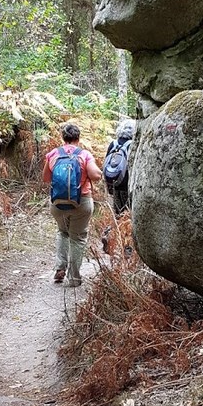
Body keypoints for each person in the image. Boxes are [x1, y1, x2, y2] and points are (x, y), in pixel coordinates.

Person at [43, 122, 102, 286]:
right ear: (78, 138)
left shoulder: (53, 154)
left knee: (63, 232)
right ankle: (74, 278)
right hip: (81, 203)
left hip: (57, 203)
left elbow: (46, 178)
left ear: (63, 138)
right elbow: (96, 176)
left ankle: (59, 268)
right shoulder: (84, 154)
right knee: (78, 238)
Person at [103, 118, 135, 216]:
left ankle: (118, 227)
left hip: (114, 181)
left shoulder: (113, 143)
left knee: (118, 212)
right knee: (128, 212)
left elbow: (106, 162)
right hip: (127, 184)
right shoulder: (132, 145)